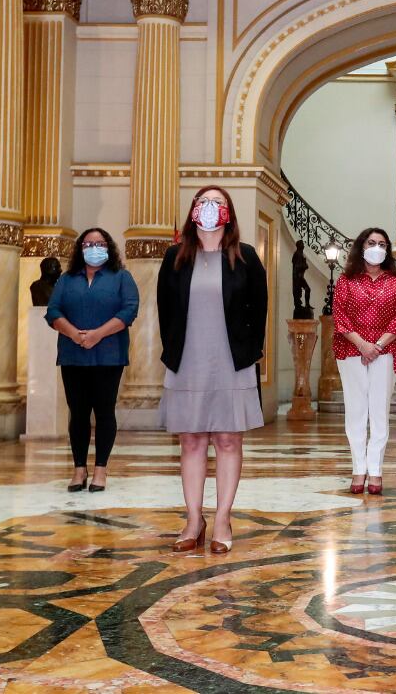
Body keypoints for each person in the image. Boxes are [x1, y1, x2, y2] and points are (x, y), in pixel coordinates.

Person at [158, 186, 267, 555]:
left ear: (229, 213)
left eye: (218, 202)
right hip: (188, 360)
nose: (209, 207)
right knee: (191, 441)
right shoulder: (175, 257)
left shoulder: (246, 256)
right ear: (193, 211)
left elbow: (259, 309)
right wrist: (174, 350)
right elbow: (165, 309)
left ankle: (222, 519)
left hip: (231, 361)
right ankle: (193, 520)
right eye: (203, 201)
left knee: (228, 440)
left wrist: (250, 352)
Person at [45, 228, 139, 493]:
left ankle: (100, 469)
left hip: (109, 355)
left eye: (99, 243)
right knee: (78, 412)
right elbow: (53, 311)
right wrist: (74, 334)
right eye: (88, 244)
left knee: (104, 411)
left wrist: (98, 334)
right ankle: (79, 469)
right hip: (73, 354)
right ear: (80, 248)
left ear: (108, 247)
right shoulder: (67, 279)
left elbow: (129, 310)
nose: (94, 248)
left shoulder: (121, 277)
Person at [333, 228, 396, 495]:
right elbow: (340, 317)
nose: (377, 247)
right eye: (372, 242)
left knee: (379, 412)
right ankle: (358, 468)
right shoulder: (346, 280)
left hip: (385, 352)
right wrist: (362, 345)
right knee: (355, 411)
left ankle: (375, 470)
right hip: (351, 351)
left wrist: (377, 346)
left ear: (387, 250)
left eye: (382, 244)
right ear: (361, 247)